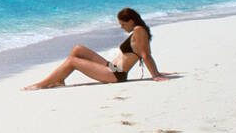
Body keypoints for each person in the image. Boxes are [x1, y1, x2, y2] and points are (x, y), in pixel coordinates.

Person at [23, 7, 169, 90]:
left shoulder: (139, 30)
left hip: (116, 74)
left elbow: (145, 55)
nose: (122, 27)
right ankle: (59, 80)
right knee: (78, 49)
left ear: (131, 21)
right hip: (113, 68)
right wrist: (157, 72)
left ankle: (42, 84)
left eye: (123, 24)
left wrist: (155, 75)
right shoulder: (137, 30)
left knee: (72, 61)